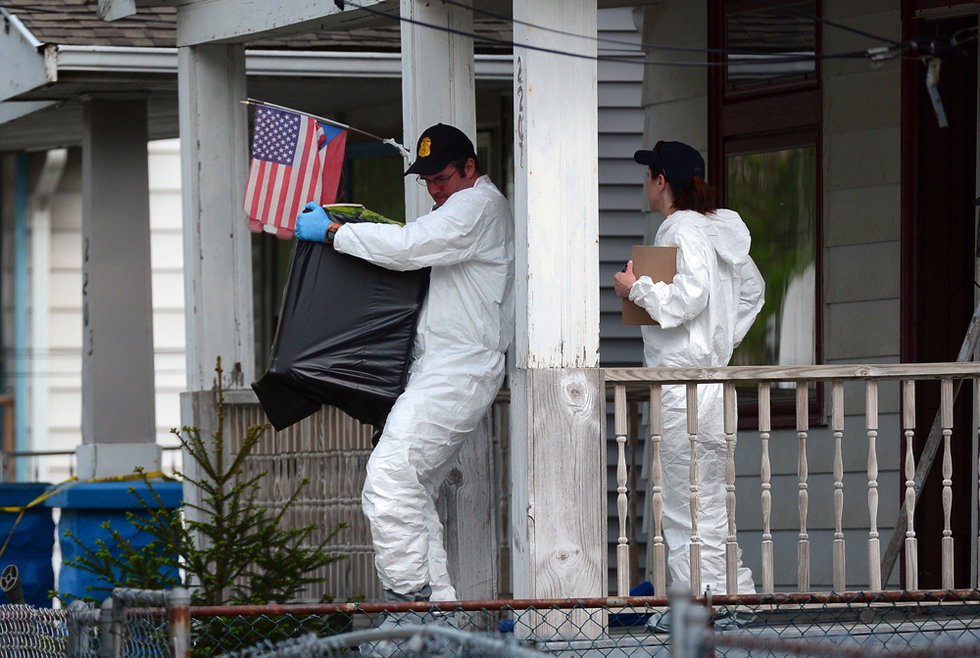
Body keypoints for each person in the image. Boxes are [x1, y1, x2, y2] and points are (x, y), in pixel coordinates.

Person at [294, 123, 514, 607]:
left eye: (442, 177)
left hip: (460, 367)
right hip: (445, 366)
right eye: (427, 180)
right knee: (411, 490)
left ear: (470, 169)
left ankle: (410, 603)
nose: (434, 189)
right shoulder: (463, 208)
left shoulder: (477, 205)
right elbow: (417, 244)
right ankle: (436, 612)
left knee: (390, 475)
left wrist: (335, 232)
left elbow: (411, 247)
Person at [613, 140, 764, 598]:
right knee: (712, 504)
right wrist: (718, 341)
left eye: (648, 177)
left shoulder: (677, 228)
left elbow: (691, 294)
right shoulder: (720, 233)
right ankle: (733, 598)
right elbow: (753, 292)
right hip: (715, 383)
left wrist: (636, 289)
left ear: (662, 183)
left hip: (681, 386)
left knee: (680, 506)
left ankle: (697, 609)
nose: (645, 185)